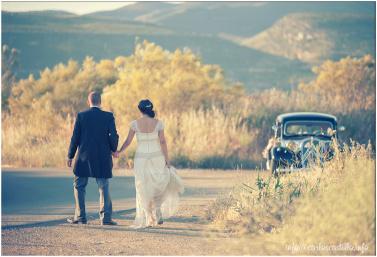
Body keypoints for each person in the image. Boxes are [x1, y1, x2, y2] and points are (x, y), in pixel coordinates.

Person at [113, 99, 184, 228]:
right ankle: (157, 210)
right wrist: (167, 160)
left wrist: (119, 151)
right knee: (158, 184)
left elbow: (128, 141)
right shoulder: (158, 123)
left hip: (141, 159)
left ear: (140, 109)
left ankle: (148, 217)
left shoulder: (134, 124)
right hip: (157, 157)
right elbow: (163, 142)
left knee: (143, 187)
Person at [67, 91, 119, 225]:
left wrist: (70, 155)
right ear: (100, 102)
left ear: (88, 101)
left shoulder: (81, 116)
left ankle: (80, 217)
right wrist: (114, 149)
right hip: (102, 157)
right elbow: (113, 136)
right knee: (103, 187)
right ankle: (106, 219)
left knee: (79, 186)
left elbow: (75, 138)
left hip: (84, 157)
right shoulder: (108, 116)